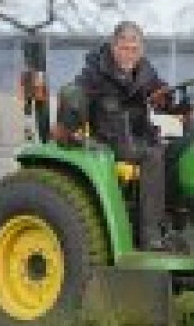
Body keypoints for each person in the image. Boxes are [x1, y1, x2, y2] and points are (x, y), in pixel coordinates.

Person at [55, 21, 178, 250]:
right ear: (114, 46)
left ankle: (174, 222)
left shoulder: (145, 73)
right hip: (110, 139)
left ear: (141, 50)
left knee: (177, 151)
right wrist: (68, 128)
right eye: (124, 48)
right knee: (152, 157)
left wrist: (172, 102)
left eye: (134, 49)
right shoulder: (96, 73)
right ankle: (150, 235)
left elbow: (161, 93)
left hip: (140, 136)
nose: (129, 54)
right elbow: (75, 95)